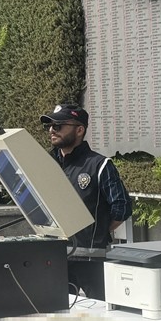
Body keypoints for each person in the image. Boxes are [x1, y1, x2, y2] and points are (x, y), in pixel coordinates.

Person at [41, 103, 133, 301]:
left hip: (92, 259)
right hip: (56, 257)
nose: (51, 130)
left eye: (58, 126)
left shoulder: (99, 164)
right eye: (49, 126)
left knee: (101, 313)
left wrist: (97, 231)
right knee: (58, 315)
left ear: (79, 129)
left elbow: (122, 207)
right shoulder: (47, 164)